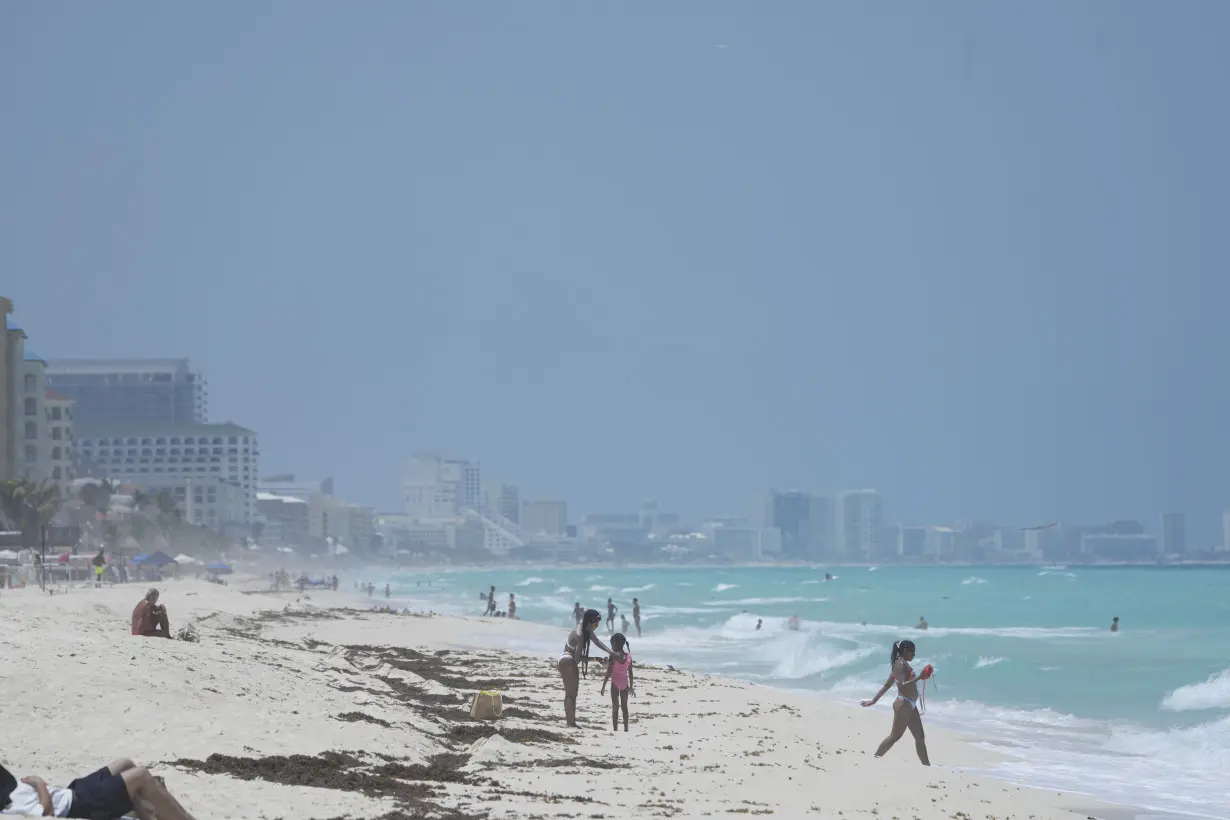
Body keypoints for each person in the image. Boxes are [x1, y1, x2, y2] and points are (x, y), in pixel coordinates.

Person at [1, 757, 198, 819]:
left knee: (125, 763)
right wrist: (40, 783)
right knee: (141, 776)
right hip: (80, 806)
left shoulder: (5, 786)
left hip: (75, 791)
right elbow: (45, 814)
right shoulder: (7, 808)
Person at [861, 639, 932, 765]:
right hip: (903, 704)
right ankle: (875, 758)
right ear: (904, 651)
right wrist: (920, 677)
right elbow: (902, 685)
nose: (913, 655)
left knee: (920, 736)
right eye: (912, 652)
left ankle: (927, 766)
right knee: (895, 736)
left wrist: (874, 700)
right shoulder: (900, 664)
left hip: (910, 704)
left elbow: (888, 684)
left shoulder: (902, 664)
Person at [558, 608, 620, 728]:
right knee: (570, 694)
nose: (597, 625)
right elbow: (577, 658)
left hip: (568, 661)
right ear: (590, 621)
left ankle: (571, 722)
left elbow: (597, 642)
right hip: (567, 661)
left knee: (572, 694)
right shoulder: (580, 635)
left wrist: (611, 653)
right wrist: (596, 659)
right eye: (596, 623)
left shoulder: (586, 629)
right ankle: (570, 723)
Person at [600, 633, 635, 732]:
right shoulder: (628, 657)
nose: (611, 646)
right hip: (625, 684)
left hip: (614, 684)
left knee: (615, 707)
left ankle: (615, 729)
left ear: (616, 643)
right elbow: (631, 673)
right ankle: (626, 729)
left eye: (612, 643)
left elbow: (609, 672)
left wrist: (603, 686)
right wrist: (631, 687)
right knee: (624, 707)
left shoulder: (613, 656)